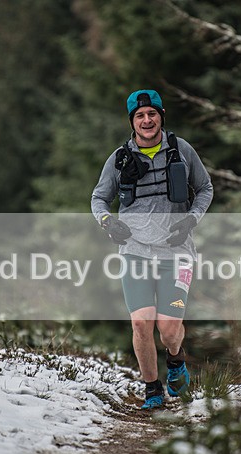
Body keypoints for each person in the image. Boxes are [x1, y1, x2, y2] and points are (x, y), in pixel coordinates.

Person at [91, 89, 214, 409]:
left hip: (178, 252)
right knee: (140, 323)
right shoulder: (119, 158)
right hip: (135, 251)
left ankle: (176, 359)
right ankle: (152, 390)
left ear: (161, 116)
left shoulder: (181, 149)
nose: (147, 120)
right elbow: (98, 198)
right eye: (140, 116)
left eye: (152, 114)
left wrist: (191, 221)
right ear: (132, 121)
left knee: (169, 329)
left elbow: (205, 188)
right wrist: (107, 222)